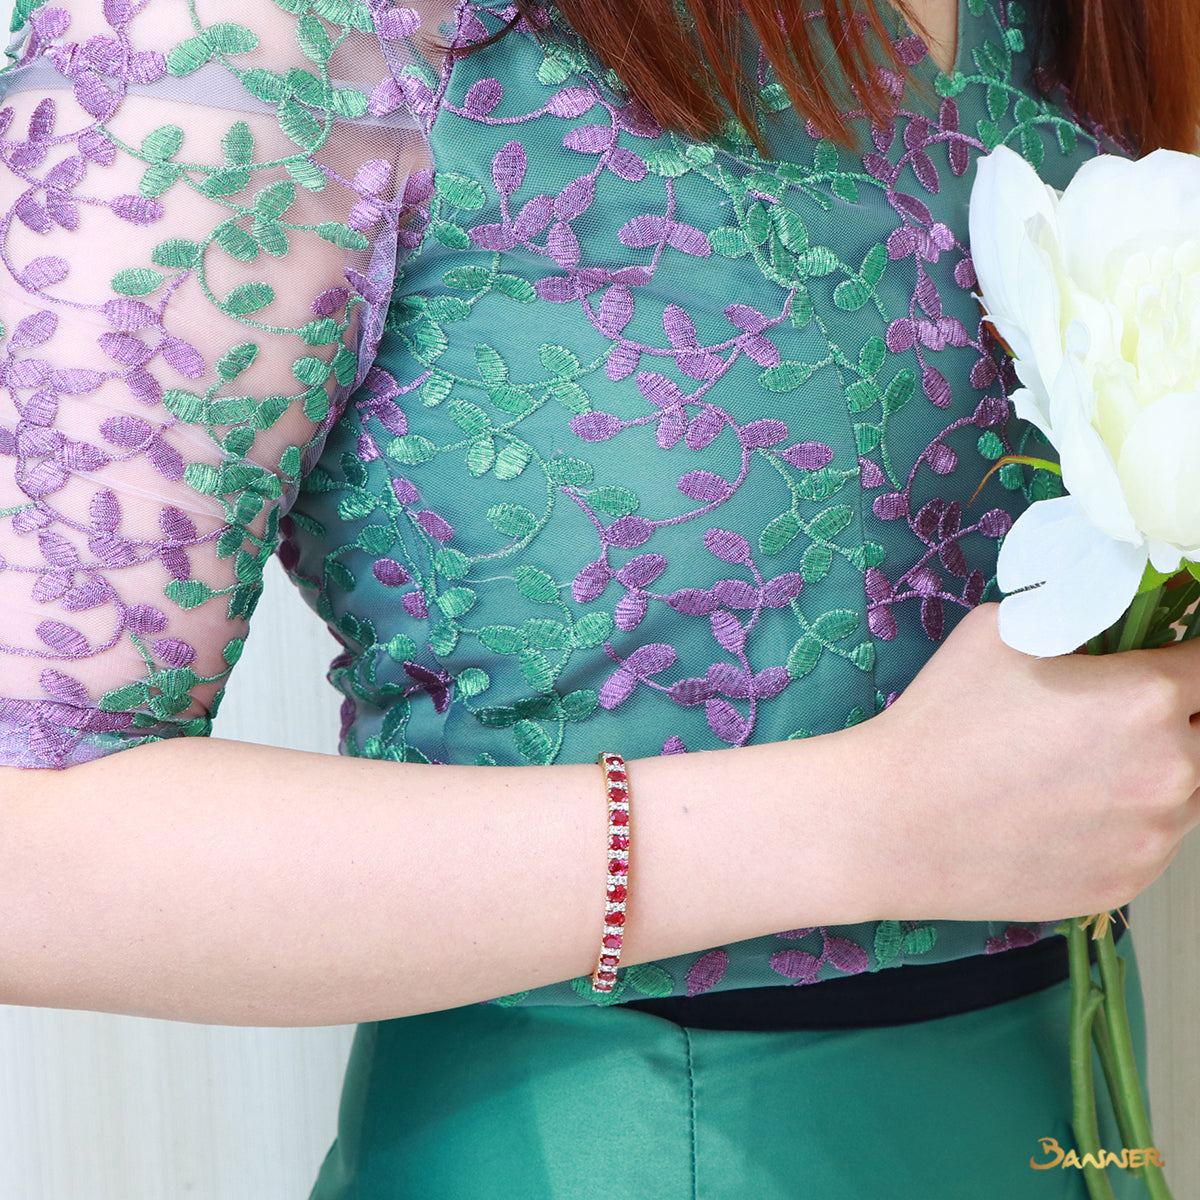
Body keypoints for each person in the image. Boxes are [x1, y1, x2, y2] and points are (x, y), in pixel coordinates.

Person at [0, 0, 1197, 1195]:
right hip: (615, 1148)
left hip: (1072, 1120)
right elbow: (32, 850)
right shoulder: (283, 29)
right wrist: (868, 822)